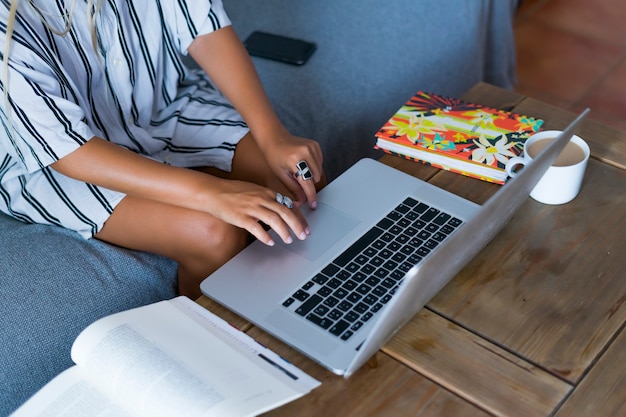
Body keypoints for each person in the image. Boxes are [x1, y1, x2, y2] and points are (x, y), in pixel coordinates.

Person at [0, 0, 325, 298]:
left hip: (159, 106)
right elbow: (67, 150)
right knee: (211, 232)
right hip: (56, 159)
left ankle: (316, 315)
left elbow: (202, 24)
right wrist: (212, 193)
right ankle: (210, 348)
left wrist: (272, 135)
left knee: (297, 179)